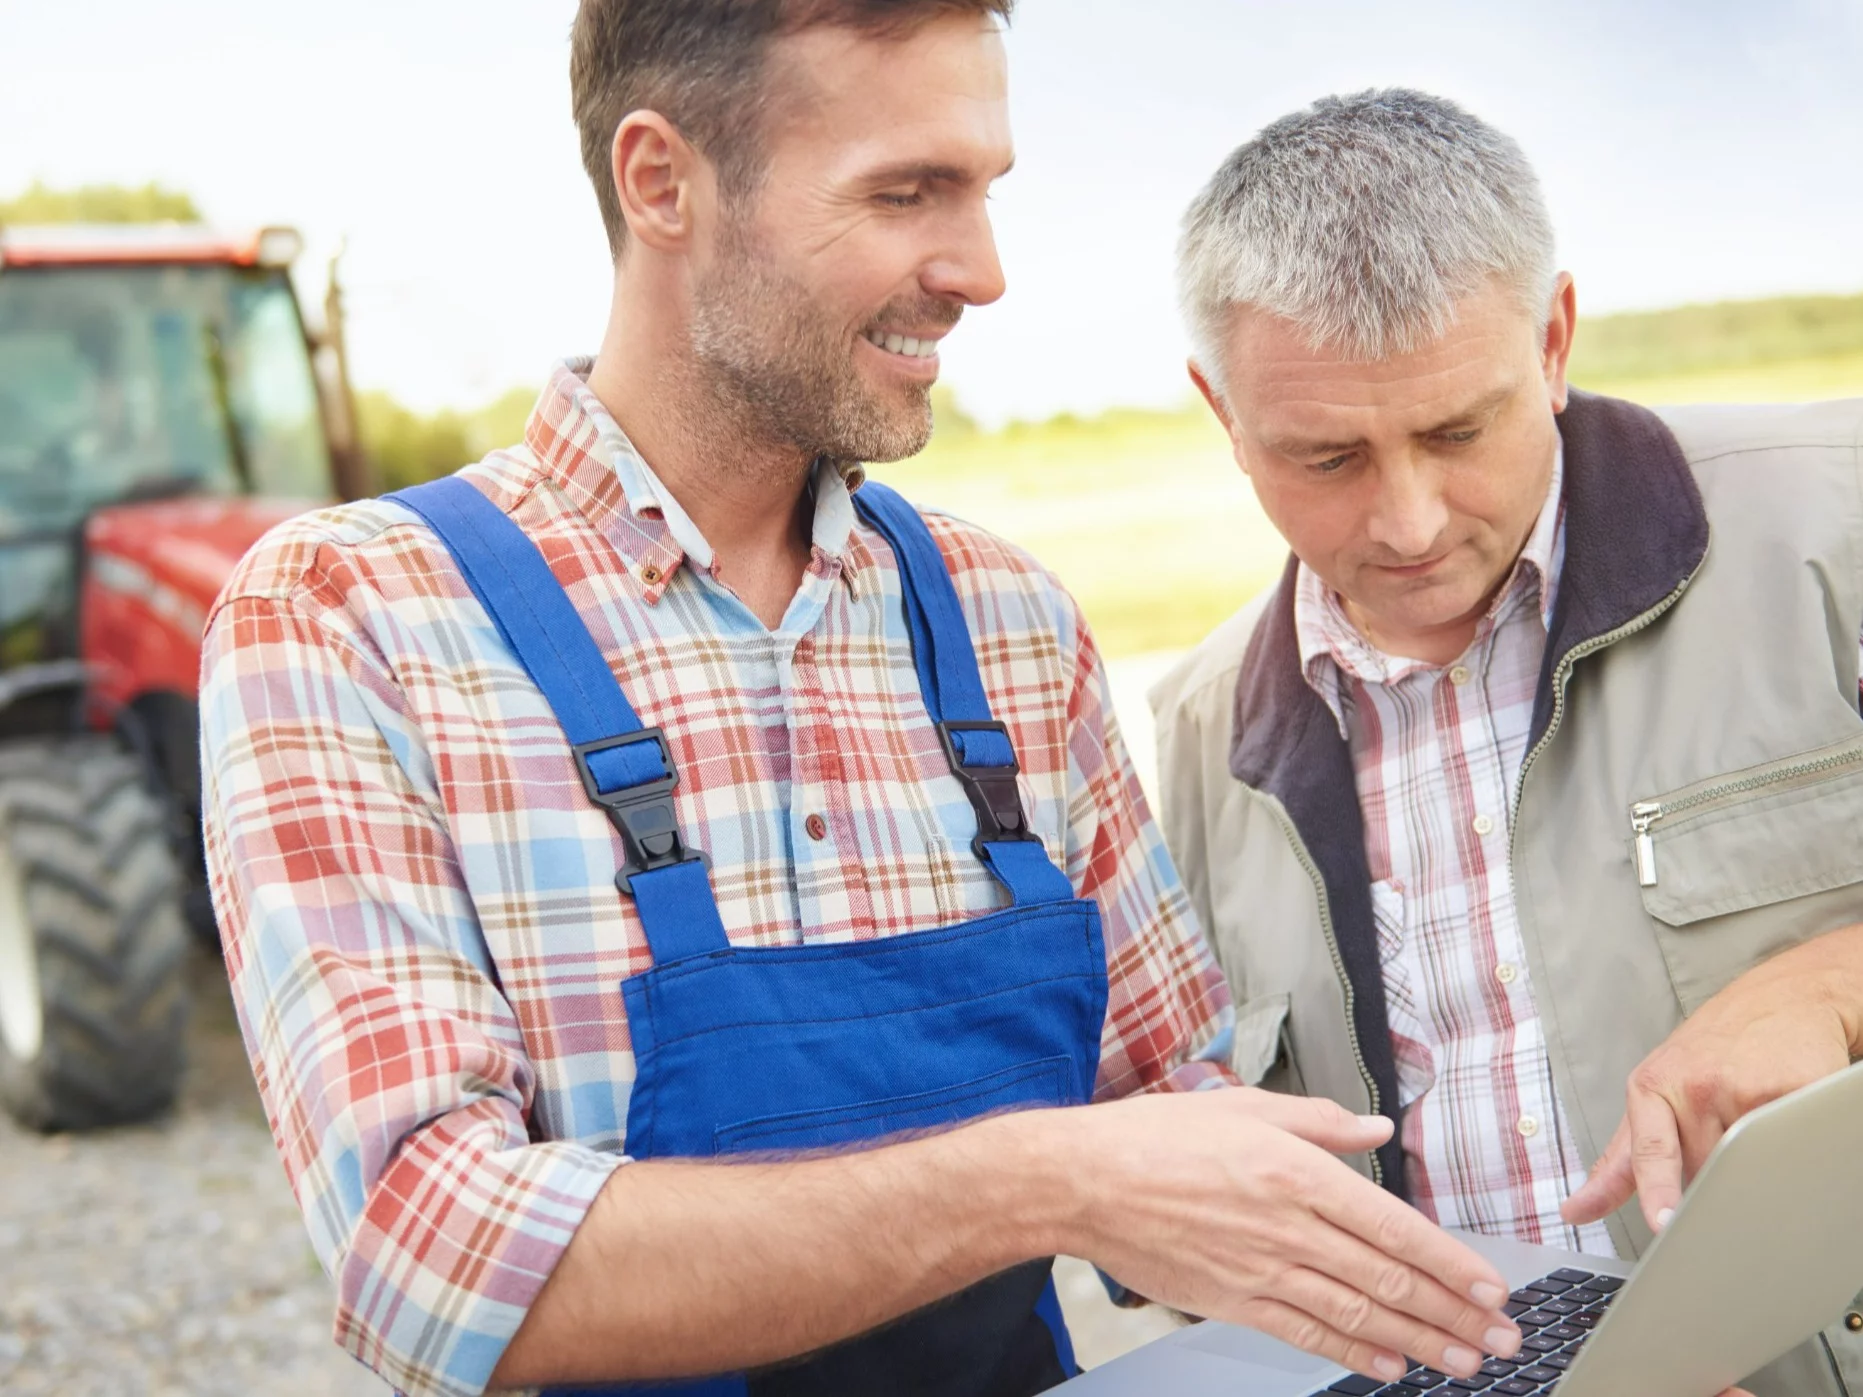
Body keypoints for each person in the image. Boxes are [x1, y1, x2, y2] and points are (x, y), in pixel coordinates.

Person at [199, 12, 1524, 1397]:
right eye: (905, 194)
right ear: (662, 183)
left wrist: (1497, 1328)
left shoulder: (1002, 620)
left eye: (984, 188)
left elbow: (1165, 1121)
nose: (982, 272)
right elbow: (428, 1262)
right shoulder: (354, 618)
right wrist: (1040, 1181)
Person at [1152, 87, 1863, 1397]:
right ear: (1219, 409)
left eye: (1453, 430)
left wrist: (1832, 982)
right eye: (1325, 458)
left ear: (1550, 339)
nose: (1408, 521)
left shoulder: (1841, 519)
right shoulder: (1191, 737)